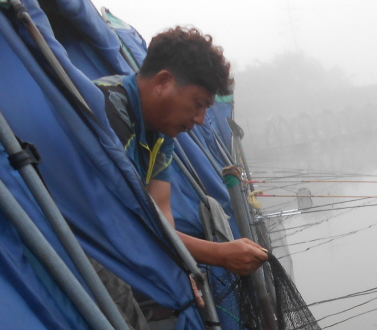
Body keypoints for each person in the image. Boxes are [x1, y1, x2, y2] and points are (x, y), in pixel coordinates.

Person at [95, 27, 268, 277]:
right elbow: (126, 225)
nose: (200, 120)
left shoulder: (161, 131)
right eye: (198, 104)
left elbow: (162, 217)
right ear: (163, 82)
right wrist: (219, 254)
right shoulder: (106, 111)